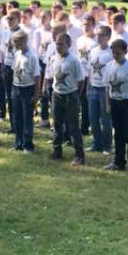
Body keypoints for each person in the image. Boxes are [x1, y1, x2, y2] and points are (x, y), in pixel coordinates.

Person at [103, 39, 128, 176]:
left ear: (125, 52)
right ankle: (118, 161)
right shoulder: (109, 67)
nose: (115, 56)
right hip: (115, 102)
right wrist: (108, 104)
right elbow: (107, 87)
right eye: (113, 53)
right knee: (118, 133)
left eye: (118, 53)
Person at [47, 33, 85, 165]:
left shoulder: (74, 61)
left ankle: (79, 155)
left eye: (61, 44)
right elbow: (52, 76)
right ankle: (57, 151)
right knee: (57, 123)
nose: (58, 47)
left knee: (73, 125)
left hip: (70, 94)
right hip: (57, 94)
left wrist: (76, 95)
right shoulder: (53, 58)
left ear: (68, 45)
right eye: (57, 44)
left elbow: (81, 80)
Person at [11, 30, 41, 152]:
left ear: (23, 41)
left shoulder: (32, 57)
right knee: (17, 116)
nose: (15, 44)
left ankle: (28, 144)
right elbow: (14, 69)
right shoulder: (17, 54)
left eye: (17, 42)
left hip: (27, 88)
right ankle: (18, 142)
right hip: (16, 86)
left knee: (27, 117)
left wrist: (36, 94)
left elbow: (37, 76)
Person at [87, 26, 113, 154]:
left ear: (108, 37)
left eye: (102, 35)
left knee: (105, 119)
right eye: (97, 34)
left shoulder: (110, 53)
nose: (99, 37)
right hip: (93, 87)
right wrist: (88, 87)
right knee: (93, 118)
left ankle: (107, 145)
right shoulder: (92, 51)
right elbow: (89, 70)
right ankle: (96, 143)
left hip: (105, 89)